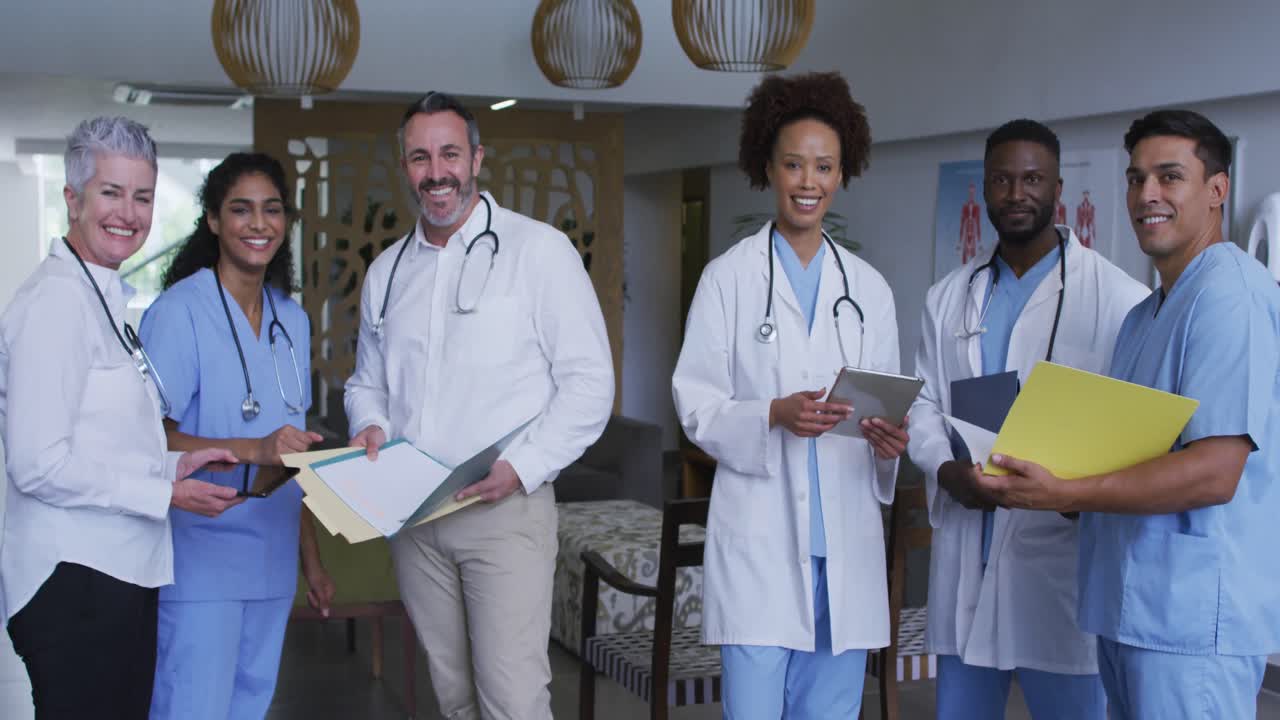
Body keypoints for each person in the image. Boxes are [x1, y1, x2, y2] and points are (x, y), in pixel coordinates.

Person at [978, 109, 1280, 718]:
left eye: (1170, 177)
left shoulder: (1230, 296)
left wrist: (1072, 487)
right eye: (1136, 178)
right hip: (1131, 612)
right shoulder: (1146, 314)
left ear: (1217, 190)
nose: (1147, 196)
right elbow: (1129, 453)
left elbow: (1214, 472)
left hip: (1191, 620)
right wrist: (1053, 484)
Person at [344, 91, 614, 720]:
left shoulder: (537, 252)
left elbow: (590, 383)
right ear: (404, 164)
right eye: (419, 157)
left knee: (513, 700)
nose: (435, 172)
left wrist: (522, 467)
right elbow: (366, 382)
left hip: (504, 511)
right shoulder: (386, 272)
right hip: (414, 518)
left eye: (449, 154)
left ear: (477, 158)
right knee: (455, 698)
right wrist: (370, 425)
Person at [672, 71, 908, 719]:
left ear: (842, 173)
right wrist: (772, 413)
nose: (809, 182)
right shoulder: (728, 281)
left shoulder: (868, 290)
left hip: (846, 552)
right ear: (768, 169)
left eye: (824, 167)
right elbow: (696, 405)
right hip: (760, 547)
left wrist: (889, 441)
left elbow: (882, 405)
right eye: (794, 165)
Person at [907, 119, 1148, 719]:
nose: (1017, 193)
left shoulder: (1116, 298)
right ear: (984, 190)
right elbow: (923, 403)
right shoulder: (949, 296)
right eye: (1003, 180)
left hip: (1060, 556)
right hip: (971, 542)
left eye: (1033, 179)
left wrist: (1075, 492)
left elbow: (1133, 426)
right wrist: (945, 470)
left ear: (1058, 187)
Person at [0, 116, 240, 719]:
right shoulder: (55, 302)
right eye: (111, 192)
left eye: (143, 197)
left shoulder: (101, 294)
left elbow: (100, 441)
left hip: (115, 573)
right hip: (74, 579)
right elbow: (37, 463)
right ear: (72, 199)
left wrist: (178, 461)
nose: (128, 214)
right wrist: (163, 492)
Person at [137, 152, 335, 719]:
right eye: (241, 210)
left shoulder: (290, 321)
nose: (258, 223)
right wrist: (252, 448)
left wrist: (312, 564)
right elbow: (148, 437)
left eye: (272, 210)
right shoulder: (179, 313)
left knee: (249, 708)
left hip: (271, 559)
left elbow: (289, 452)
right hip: (200, 559)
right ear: (213, 221)